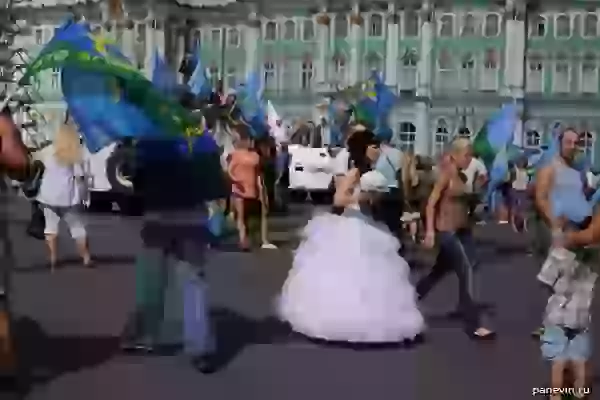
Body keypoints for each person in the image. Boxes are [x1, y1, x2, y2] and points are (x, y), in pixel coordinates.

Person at [277, 128, 424, 343]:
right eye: (373, 146)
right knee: (352, 272)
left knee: (376, 273)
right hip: (353, 224)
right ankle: (346, 320)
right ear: (364, 149)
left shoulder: (374, 172)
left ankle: (376, 318)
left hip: (370, 223)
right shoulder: (355, 172)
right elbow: (338, 200)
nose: (377, 150)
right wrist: (359, 199)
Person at [123, 134, 227, 374]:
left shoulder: (149, 141)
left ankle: (142, 335)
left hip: (157, 220)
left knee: (151, 282)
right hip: (192, 220)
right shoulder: (202, 142)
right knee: (194, 282)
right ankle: (200, 349)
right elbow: (216, 187)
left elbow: (138, 186)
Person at [417, 137, 495, 340]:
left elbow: (466, 202)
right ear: (455, 154)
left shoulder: (461, 175)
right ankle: (473, 324)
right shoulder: (445, 174)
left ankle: (409, 299)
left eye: (471, 155)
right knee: (466, 269)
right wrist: (430, 232)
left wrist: (478, 193)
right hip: (447, 231)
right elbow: (431, 204)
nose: (470, 160)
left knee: (439, 272)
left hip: (463, 229)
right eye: (466, 155)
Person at [36, 123, 91, 271]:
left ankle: (53, 258)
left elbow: (39, 166)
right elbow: (80, 178)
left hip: (48, 196)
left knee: (51, 227)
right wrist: (85, 196)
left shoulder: (47, 151)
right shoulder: (75, 155)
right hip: (68, 197)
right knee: (77, 227)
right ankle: (86, 257)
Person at [227, 131, 262, 251]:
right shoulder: (236, 154)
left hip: (252, 189)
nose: (250, 142)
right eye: (248, 140)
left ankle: (249, 237)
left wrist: (260, 188)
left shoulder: (255, 156)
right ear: (243, 141)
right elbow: (229, 170)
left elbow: (258, 174)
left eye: (251, 140)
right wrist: (236, 180)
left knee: (250, 216)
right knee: (241, 216)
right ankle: (243, 240)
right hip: (239, 189)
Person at [373, 130, 404, 241]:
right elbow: (403, 174)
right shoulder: (399, 153)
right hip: (397, 191)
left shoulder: (378, 155)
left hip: (382, 191)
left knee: (382, 221)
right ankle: (397, 246)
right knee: (395, 221)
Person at [255, 136, 277, 249]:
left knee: (262, 214)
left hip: (263, 187)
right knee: (264, 214)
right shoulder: (262, 161)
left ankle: (262, 239)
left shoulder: (261, 159)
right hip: (261, 188)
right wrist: (262, 194)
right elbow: (260, 178)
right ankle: (264, 240)